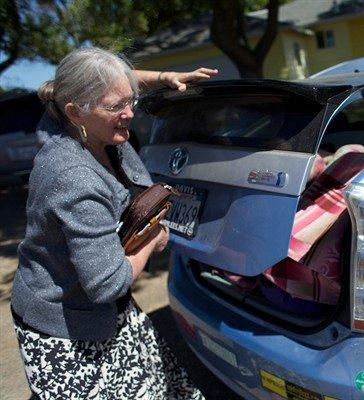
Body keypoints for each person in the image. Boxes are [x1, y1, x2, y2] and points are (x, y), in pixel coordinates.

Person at [10, 46, 218, 399]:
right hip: (66, 325)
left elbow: (117, 83)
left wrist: (164, 79)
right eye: (116, 107)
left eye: (131, 101)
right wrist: (154, 238)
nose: (129, 114)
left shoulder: (71, 105)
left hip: (107, 312)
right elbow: (107, 283)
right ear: (75, 111)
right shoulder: (73, 178)